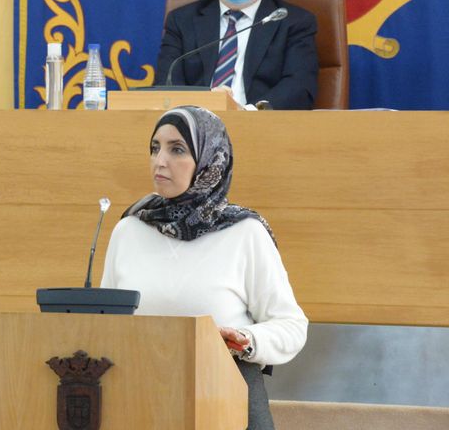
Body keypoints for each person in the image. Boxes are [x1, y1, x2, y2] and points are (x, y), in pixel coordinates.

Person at [100, 106, 308, 429]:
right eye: (155, 148)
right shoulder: (129, 229)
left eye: (177, 149)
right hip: (142, 400)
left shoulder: (244, 232)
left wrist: (246, 338)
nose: (160, 161)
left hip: (226, 398)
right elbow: (104, 324)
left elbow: (292, 326)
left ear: (210, 160)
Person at [155, 0, 319, 110]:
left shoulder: (293, 22)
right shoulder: (182, 20)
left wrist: (247, 113)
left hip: (262, 129)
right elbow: (167, 85)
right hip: (194, 129)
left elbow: (299, 87)